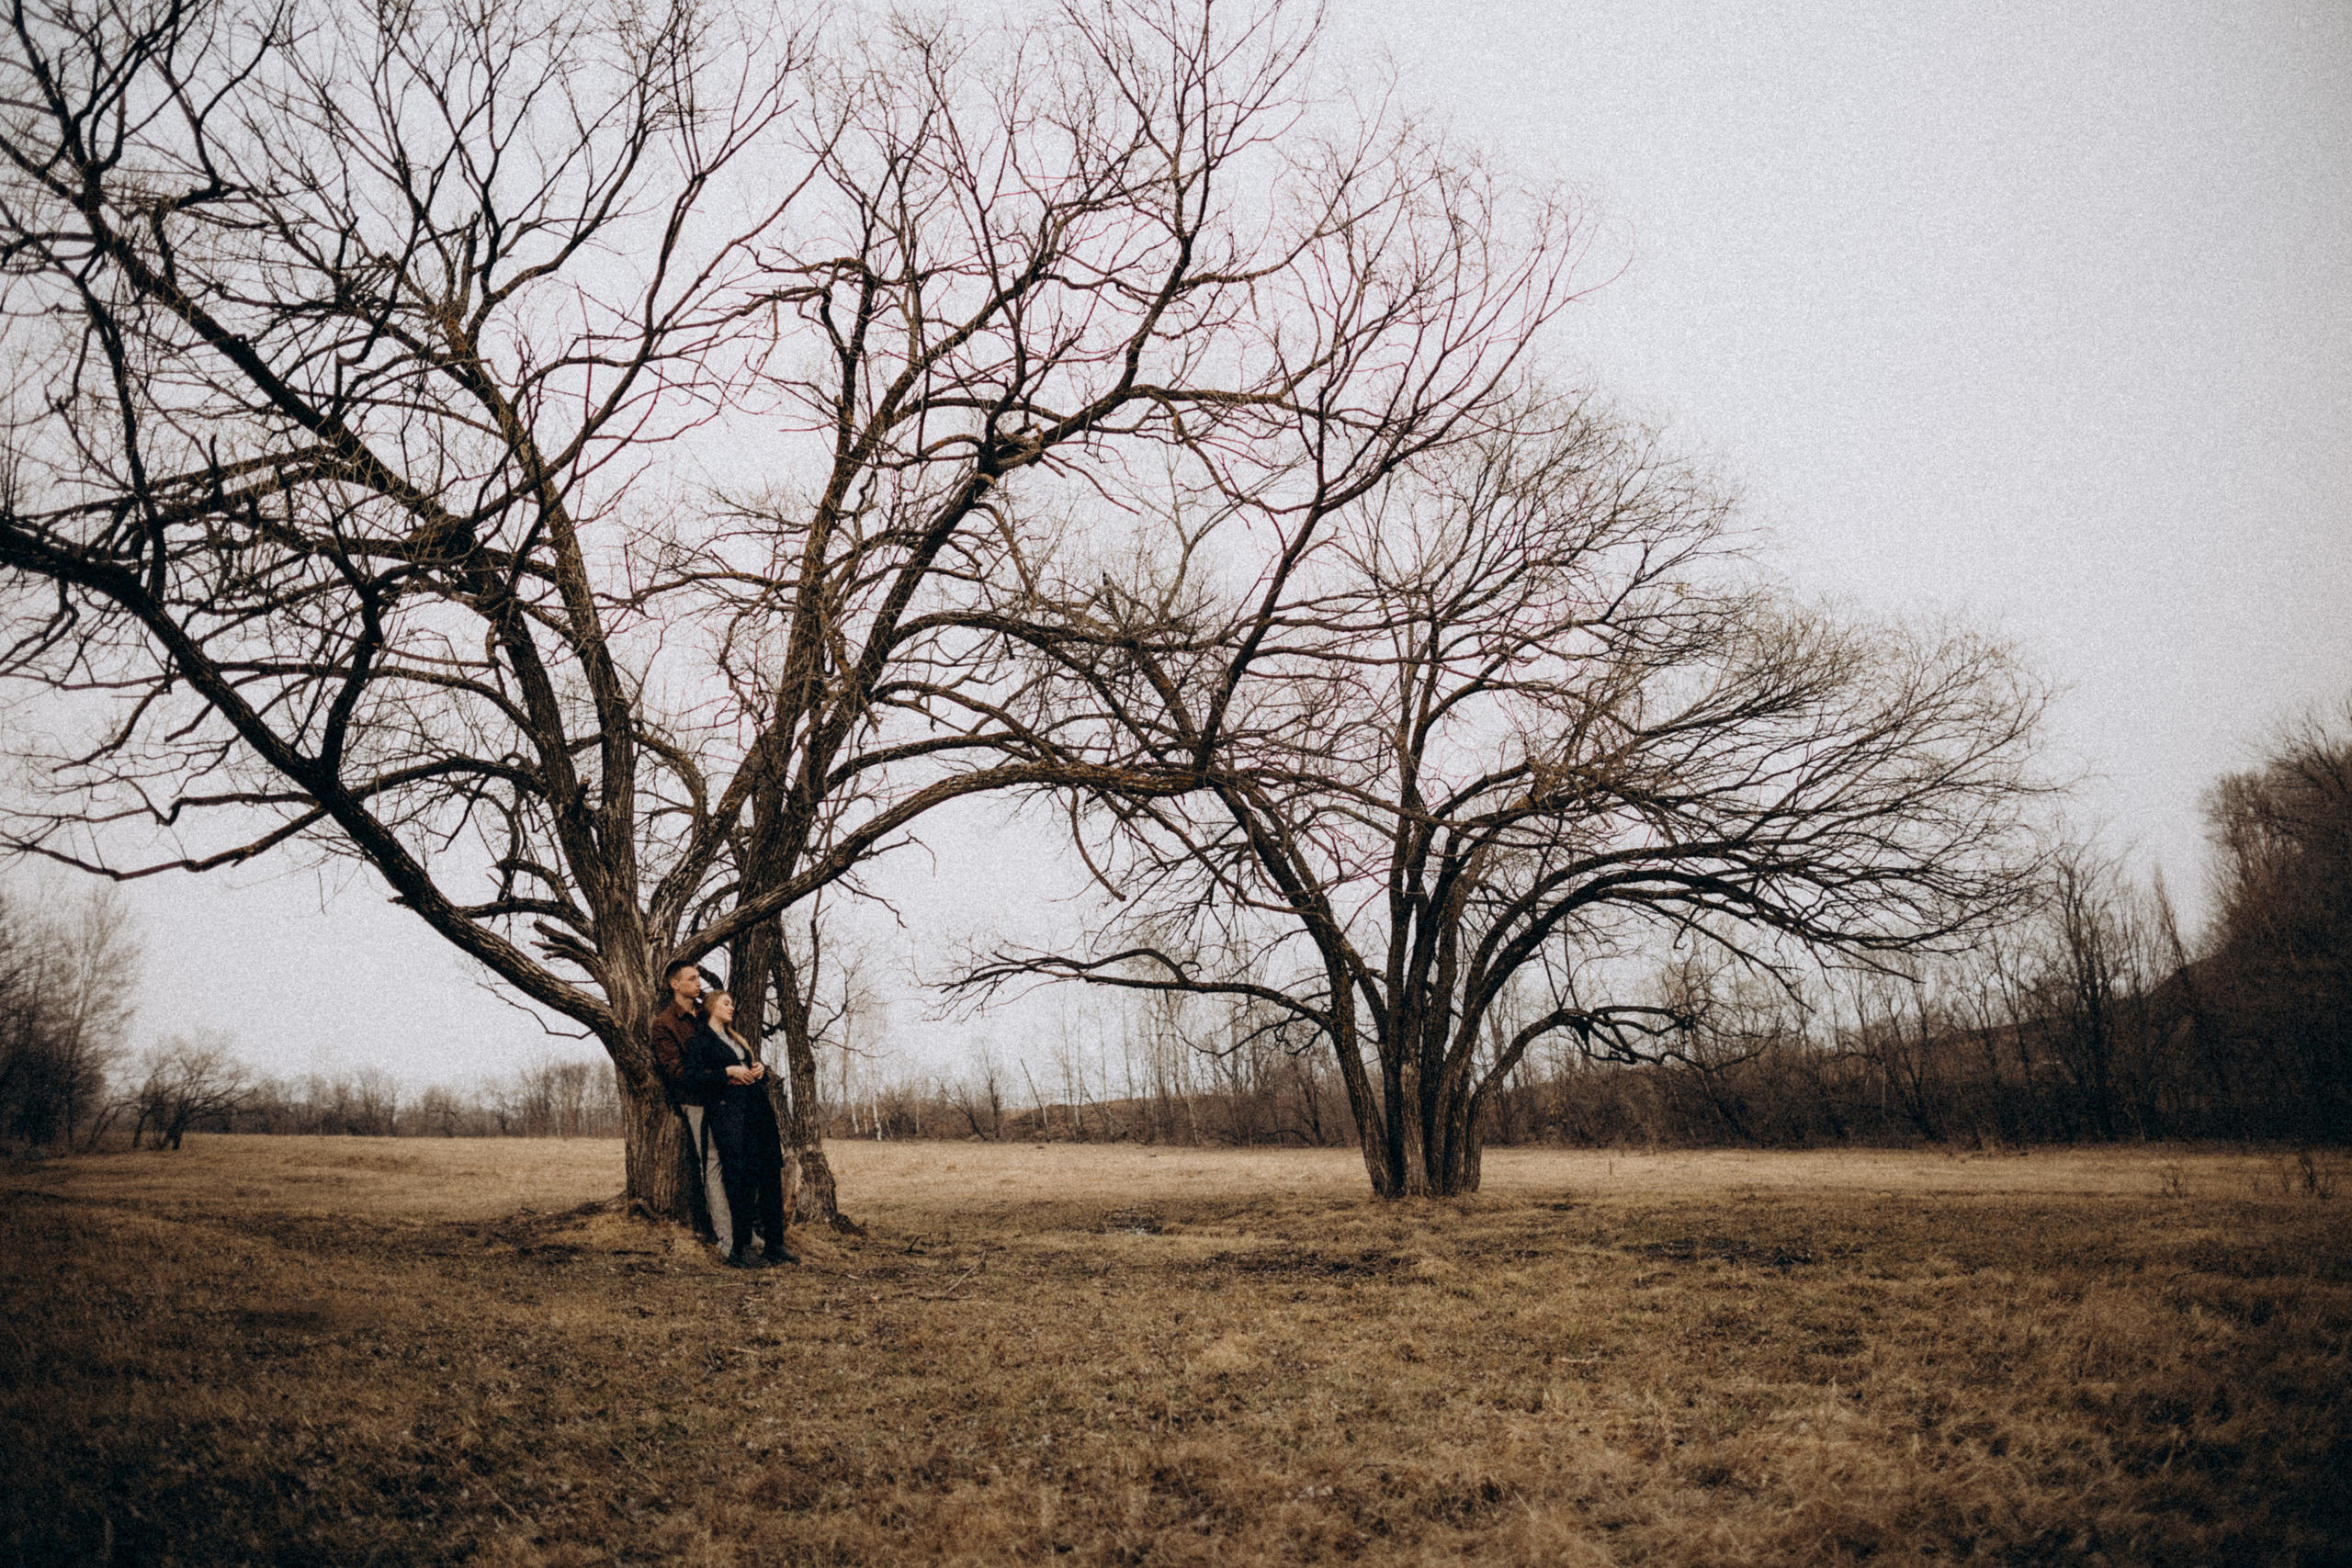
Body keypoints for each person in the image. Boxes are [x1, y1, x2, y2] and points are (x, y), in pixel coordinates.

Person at [678, 987, 798, 1269]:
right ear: (711, 1007)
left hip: (757, 1108)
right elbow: (692, 1078)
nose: (731, 1007)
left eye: (732, 1003)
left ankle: (775, 1245)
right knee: (743, 1177)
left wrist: (760, 1071)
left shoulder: (736, 1038)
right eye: (726, 1003)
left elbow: (751, 1069)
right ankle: (740, 1248)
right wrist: (727, 1073)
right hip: (729, 1113)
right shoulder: (702, 1040)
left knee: (770, 1171)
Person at [649, 958, 720, 1245]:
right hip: (696, 1102)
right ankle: (723, 1235)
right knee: (712, 1165)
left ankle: (745, 1230)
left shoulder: (707, 1012)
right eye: (691, 978)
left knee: (736, 1161)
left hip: (725, 1098)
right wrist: (719, 1076)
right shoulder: (664, 1024)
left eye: (699, 977)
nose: (699, 983)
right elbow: (676, 1072)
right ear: (674, 984)